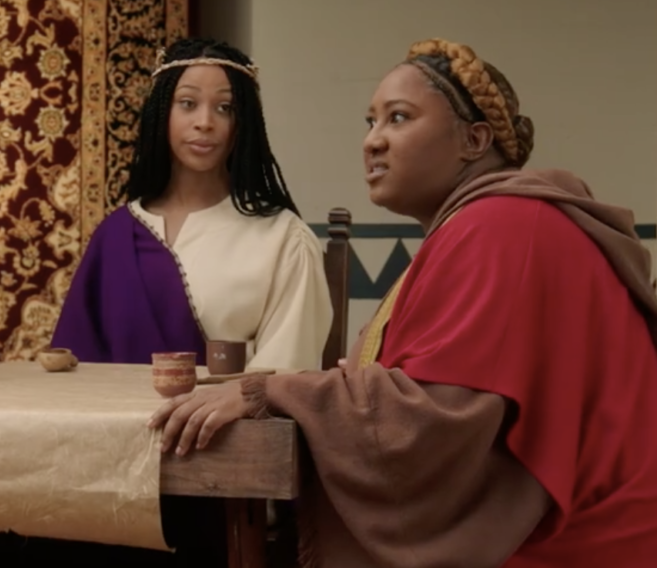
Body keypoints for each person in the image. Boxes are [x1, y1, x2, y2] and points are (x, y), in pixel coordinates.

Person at [148, 38, 657, 567]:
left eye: (398, 118)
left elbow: (434, 418)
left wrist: (269, 391)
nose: (373, 142)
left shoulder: (503, 227)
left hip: (582, 543)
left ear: (474, 139)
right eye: (369, 123)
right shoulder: (487, 224)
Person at [51, 38, 333, 372]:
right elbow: (74, 365)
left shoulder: (284, 238)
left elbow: (287, 374)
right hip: (111, 423)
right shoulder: (114, 235)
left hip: (225, 422)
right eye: (187, 103)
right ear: (161, 114)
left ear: (243, 124)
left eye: (225, 108)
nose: (205, 122)